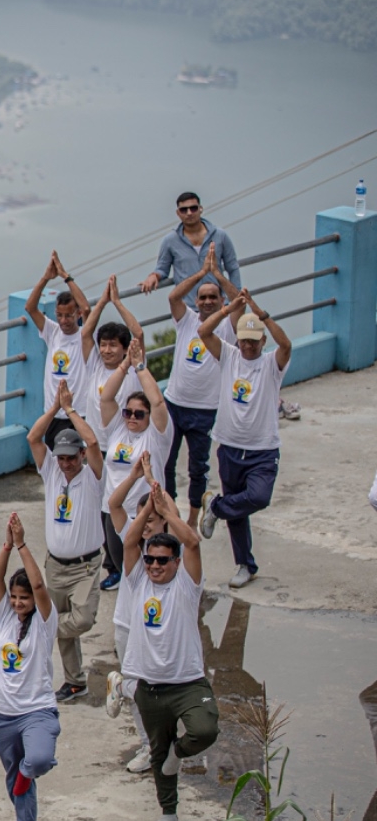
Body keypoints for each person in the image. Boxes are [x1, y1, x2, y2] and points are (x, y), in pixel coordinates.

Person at [124, 483, 218, 821]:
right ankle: (169, 811)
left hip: (188, 681)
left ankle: (179, 753)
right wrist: (149, 510)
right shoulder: (139, 581)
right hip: (150, 685)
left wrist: (169, 514)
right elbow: (130, 541)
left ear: (176, 562)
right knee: (157, 751)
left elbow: (192, 542)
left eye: (162, 560)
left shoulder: (187, 584)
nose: (154, 566)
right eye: (150, 559)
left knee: (204, 729)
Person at [106, 453, 193, 775]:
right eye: (142, 519)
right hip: (128, 626)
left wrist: (154, 480)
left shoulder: (170, 550)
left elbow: (174, 513)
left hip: (162, 630)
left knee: (163, 689)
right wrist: (135, 480)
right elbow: (115, 505)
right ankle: (148, 745)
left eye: (152, 520)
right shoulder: (133, 540)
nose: (145, 526)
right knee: (141, 694)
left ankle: (126, 691)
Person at [198, 291, 292, 589]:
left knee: (258, 497)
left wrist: (259, 313)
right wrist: (227, 310)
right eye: (244, 339)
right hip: (229, 445)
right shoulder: (228, 355)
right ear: (237, 339)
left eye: (254, 340)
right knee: (239, 516)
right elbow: (203, 331)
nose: (249, 345)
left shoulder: (270, 365)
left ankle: (216, 506)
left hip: (262, 449)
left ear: (263, 341)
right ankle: (244, 565)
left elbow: (286, 344)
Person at [25, 384, 105, 704]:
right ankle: (75, 681)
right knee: (64, 633)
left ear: (82, 455)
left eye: (71, 457)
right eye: (61, 457)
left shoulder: (93, 476)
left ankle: (40, 632)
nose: (65, 463)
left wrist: (70, 410)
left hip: (85, 566)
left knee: (81, 619)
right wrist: (54, 408)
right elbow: (33, 438)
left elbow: (95, 441)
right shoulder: (51, 472)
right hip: (55, 564)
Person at [0, 512, 59, 821]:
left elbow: (41, 586)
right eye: (15, 598)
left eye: (24, 599)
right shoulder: (4, 616)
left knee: (38, 760)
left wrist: (22, 545)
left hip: (36, 709)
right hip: (1, 713)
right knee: (13, 776)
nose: (18, 603)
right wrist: (5, 545)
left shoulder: (45, 623)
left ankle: (27, 775)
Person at [161, 246, 240, 525]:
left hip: (205, 409)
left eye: (213, 297)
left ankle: (193, 517)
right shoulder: (187, 320)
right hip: (174, 403)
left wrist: (218, 273)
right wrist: (201, 273)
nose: (207, 302)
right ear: (197, 300)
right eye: (203, 297)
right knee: (166, 463)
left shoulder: (228, 326)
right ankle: (170, 513)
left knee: (198, 466)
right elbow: (173, 296)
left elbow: (239, 301)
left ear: (220, 300)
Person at [95, 337, 170, 590]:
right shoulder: (117, 427)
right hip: (114, 511)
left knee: (153, 571)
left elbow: (158, 402)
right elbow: (106, 398)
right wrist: (125, 362)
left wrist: (140, 367)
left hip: (146, 515)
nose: (132, 418)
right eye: (128, 412)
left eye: (139, 414)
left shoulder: (156, 435)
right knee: (129, 573)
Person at [23, 252, 94, 449]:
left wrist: (65, 276)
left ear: (77, 314)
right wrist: (46, 277)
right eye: (59, 315)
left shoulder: (84, 336)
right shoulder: (52, 332)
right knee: (55, 464)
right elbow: (30, 307)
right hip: (53, 413)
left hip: (79, 413)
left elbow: (87, 308)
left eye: (69, 316)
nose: (63, 321)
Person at [79, 275, 146, 446]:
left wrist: (117, 302)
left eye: (113, 345)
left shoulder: (133, 366)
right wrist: (103, 301)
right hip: (96, 444)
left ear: (125, 349)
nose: (107, 351)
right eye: (103, 345)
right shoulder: (95, 365)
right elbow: (86, 334)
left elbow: (138, 334)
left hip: (124, 443)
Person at [139, 191, 242, 298]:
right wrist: (153, 276)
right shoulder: (170, 240)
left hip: (218, 304)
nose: (189, 213)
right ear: (178, 213)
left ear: (200, 209)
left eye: (193, 208)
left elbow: (232, 267)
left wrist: (237, 298)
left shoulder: (220, 235)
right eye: (184, 210)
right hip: (187, 308)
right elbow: (162, 269)